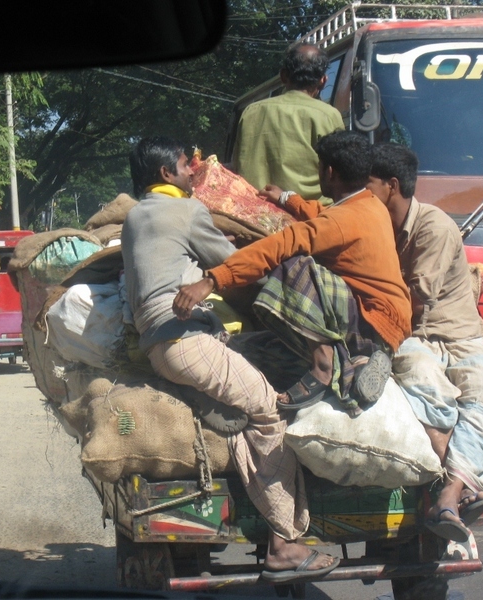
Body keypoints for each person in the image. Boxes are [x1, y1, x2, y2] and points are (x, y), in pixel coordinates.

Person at [121, 136, 340, 583]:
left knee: (244, 414)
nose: (191, 173)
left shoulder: (134, 216)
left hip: (160, 347)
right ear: (167, 174)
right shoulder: (185, 209)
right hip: (187, 339)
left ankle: (223, 419)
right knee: (269, 410)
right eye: (185, 166)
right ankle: (283, 545)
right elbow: (237, 263)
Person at [175, 131, 411, 415]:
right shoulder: (371, 204)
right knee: (250, 347)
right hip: (386, 325)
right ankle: (357, 363)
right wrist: (287, 198)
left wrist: (213, 279)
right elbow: (325, 214)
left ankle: (325, 366)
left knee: (292, 265)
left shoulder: (341, 221)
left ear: (330, 171)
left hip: (370, 320)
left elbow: (282, 244)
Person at [366, 142, 483, 542]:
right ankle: (452, 492)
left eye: (369, 185)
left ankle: (448, 492)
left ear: (391, 186)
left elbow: (415, 298)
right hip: (415, 337)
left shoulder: (433, 226)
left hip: (458, 337)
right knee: (425, 384)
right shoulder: (376, 224)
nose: (364, 194)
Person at [231, 41, 344, 203]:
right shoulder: (329, 115)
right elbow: (338, 178)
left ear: (283, 76)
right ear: (323, 81)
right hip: (309, 219)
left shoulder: (251, 112)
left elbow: (237, 166)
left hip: (253, 216)